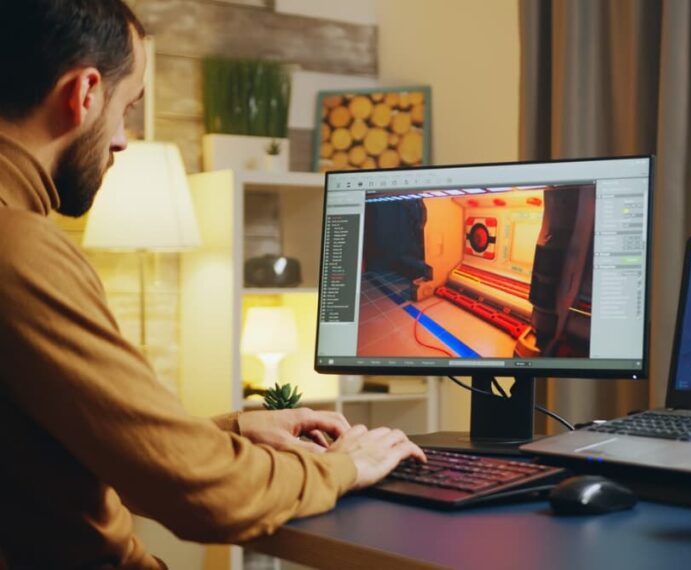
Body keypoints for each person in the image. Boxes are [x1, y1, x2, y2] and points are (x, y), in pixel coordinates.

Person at [0, 1, 425, 567]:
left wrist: (235, 430)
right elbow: (202, 495)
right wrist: (344, 464)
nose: (121, 141)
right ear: (85, 93)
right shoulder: (20, 250)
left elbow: (90, 448)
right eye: (127, 108)